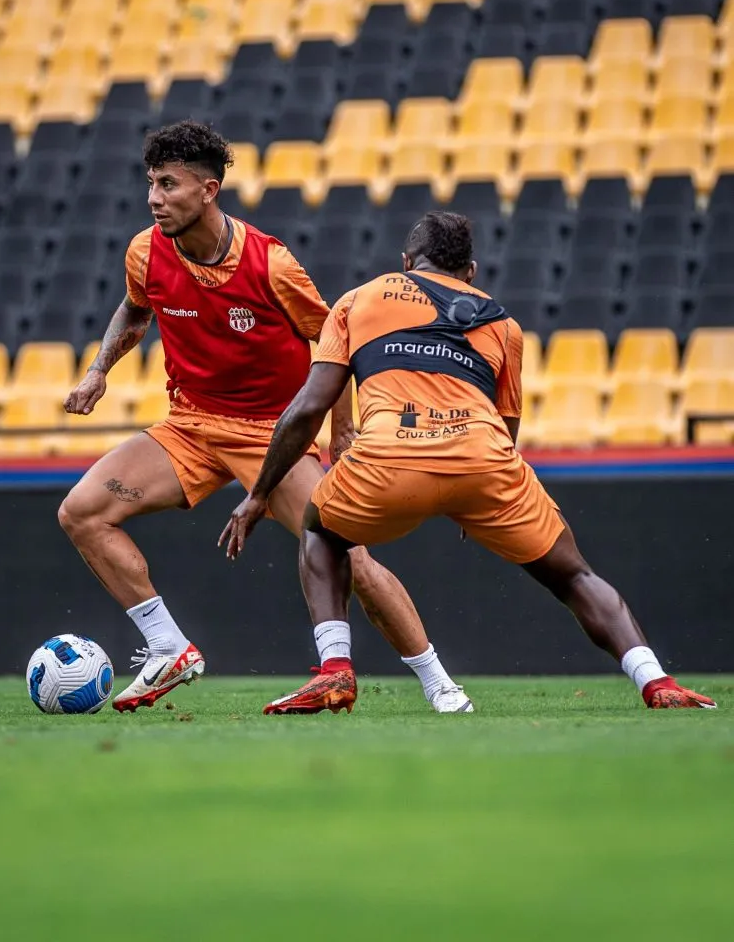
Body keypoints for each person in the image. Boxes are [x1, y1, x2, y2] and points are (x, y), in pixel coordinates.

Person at [221, 210, 717, 715]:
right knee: (574, 576)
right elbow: (507, 428)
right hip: (483, 459)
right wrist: (478, 500)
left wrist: (259, 494)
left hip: (389, 454)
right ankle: (657, 682)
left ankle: (335, 670)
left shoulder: (359, 299)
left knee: (321, 533)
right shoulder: (503, 324)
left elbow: (309, 407)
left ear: (407, 262)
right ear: (471, 271)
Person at [59, 122, 470, 714]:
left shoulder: (271, 263)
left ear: (209, 190)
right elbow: (134, 308)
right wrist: (99, 370)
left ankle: (439, 684)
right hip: (189, 426)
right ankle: (168, 647)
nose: (154, 198)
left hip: (270, 437)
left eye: (168, 184)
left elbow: (335, 337)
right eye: (151, 183)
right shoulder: (144, 251)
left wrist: (342, 429)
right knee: (81, 512)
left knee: (348, 555)